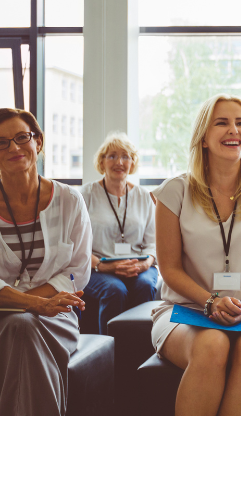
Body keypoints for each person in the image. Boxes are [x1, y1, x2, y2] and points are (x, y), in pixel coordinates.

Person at [150, 95, 241, 416]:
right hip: (185, 308)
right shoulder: (174, 191)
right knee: (213, 344)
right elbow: (169, 269)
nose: (234, 130)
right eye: (222, 122)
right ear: (203, 138)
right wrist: (210, 302)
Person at [0, 108, 92, 415]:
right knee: (22, 325)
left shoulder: (70, 201)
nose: (14, 148)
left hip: (54, 318)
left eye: (22, 138)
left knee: (23, 325)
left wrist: (31, 305)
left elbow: (78, 273)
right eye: (1, 143)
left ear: (38, 142)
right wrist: (33, 306)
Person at [78, 133, 158, 333]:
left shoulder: (144, 196)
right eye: (112, 156)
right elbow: (75, 244)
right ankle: (108, 352)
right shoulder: (85, 195)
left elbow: (153, 241)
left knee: (146, 285)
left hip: (137, 264)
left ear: (133, 162)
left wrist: (146, 263)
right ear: (102, 161)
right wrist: (103, 266)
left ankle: (139, 349)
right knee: (115, 290)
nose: (119, 162)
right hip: (97, 266)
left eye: (126, 156)